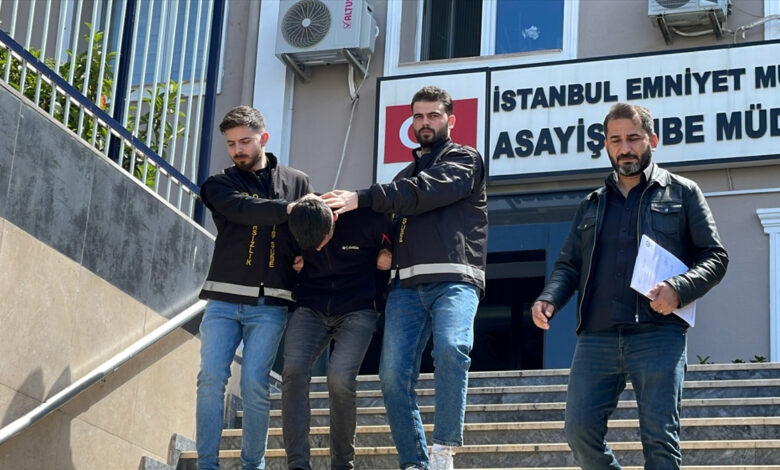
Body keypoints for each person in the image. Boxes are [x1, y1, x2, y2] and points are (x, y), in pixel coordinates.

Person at [531, 102, 729, 469]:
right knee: (579, 431)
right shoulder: (591, 204)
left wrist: (679, 288)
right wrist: (549, 297)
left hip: (658, 334)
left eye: (634, 138)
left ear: (652, 140)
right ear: (606, 145)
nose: (625, 148)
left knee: (660, 441)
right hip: (597, 337)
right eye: (616, 140)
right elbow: (569, 265)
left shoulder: (683, 193)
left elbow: (715, 257)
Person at [322, 86, 488, 470]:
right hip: (404, 288)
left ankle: (443, 450)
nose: (425, 123)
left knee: (452, 348)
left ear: (451, 120)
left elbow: (422, 193)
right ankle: (414, 462)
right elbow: (383, 226)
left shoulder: (465, 159)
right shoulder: (402, 176)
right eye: (418, 116)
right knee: (392, 375)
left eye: (433, 115)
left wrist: (362, 197)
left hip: (454, 279)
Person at [196, 105, 312, 470]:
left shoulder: (297, 181)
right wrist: (290, 210)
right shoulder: (218, 185)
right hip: (223, 298)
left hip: (272, 302)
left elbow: (310, 228)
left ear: (264, 138)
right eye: (231, 144)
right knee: (210, 379)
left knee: (254, 384)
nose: (238, 150)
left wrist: (305, 257)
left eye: (245, 141)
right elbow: (246, 211)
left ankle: (253, 465)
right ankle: (206, 465)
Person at [281, 194, 392, 470]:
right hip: (311, 305)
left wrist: (390, 255)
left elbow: (402, 236)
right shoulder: (298, 223)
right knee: (293, 371)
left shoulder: (366, 219)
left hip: (358, 307)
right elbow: (280, 258)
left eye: (323, 240)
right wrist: (294, 268)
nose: (318, 247)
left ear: (334, 219)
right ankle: (297, 464)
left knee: (340, 378)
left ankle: (342, 464)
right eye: (312, 246)